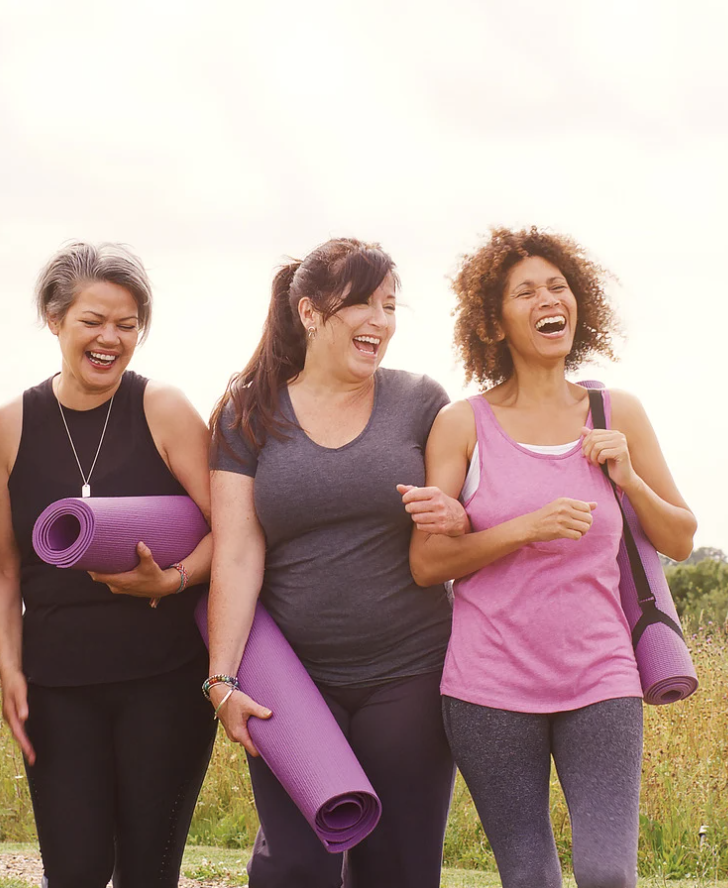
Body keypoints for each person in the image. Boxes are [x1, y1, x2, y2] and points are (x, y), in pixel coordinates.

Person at [402, 227, 697, 888]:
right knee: (529, 878)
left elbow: (680, 537)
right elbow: (427, 563)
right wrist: (522, 529)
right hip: (488, 684)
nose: (547, 299)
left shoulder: (616, 411)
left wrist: (629, 478)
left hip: (601, 674)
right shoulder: (462, 423)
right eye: (526, 291)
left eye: (558, 287)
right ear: (495, 321)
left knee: (606, 874)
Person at [207, 237, 465, 888]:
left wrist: (459, 516)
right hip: (292, 682)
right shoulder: (247, 412)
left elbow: (464, 518)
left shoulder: (422, 401)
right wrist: (223, 680)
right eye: (364, 303)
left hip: (408, 671)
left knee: (399, 872)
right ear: (312, 313)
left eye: (391, 305)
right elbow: (237, 552)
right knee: (294, 866)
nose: (382, 320)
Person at [0, 242, 217, 888]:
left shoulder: (165, 410)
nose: (110, 339)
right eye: (93, 320)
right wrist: (8, 664)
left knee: (149, 874)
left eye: (127, 325)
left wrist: (173, 578)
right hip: (57, 686)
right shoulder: (11, 427)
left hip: (166, 679)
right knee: (75, 873)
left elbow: (234, 534)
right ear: (55, 320)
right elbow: (6, 570)